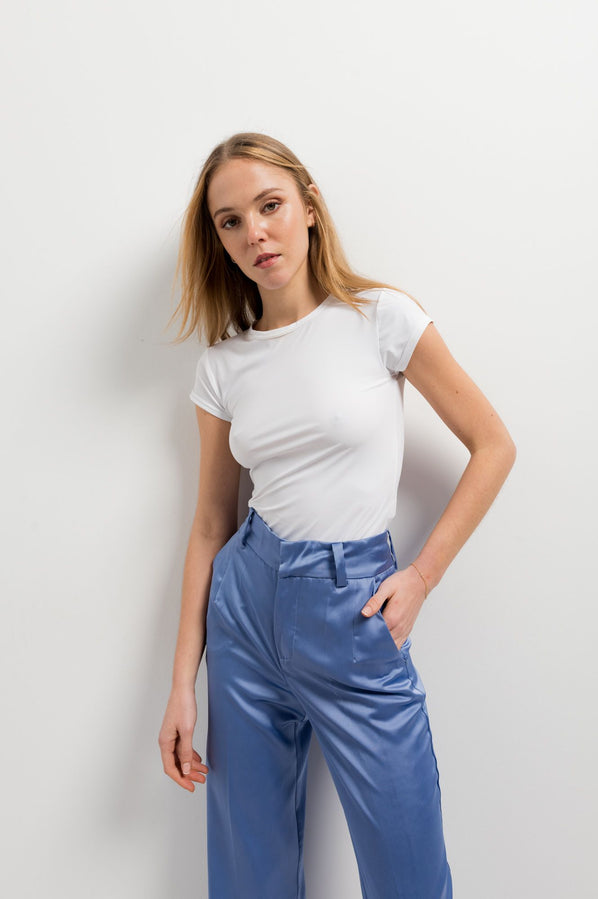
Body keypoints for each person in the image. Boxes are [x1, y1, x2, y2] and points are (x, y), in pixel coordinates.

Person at [158, 131, 516, 899]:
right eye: (230, 221)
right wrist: (183, 683)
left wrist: (420, 576)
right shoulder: (223, 365)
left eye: (270, 205)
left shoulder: (381, 318)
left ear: (310, 207)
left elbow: (493, 445)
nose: (255, 232)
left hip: (355, 608)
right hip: (245, 616)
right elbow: (213, 523)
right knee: (250, 877)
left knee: (409, 873)